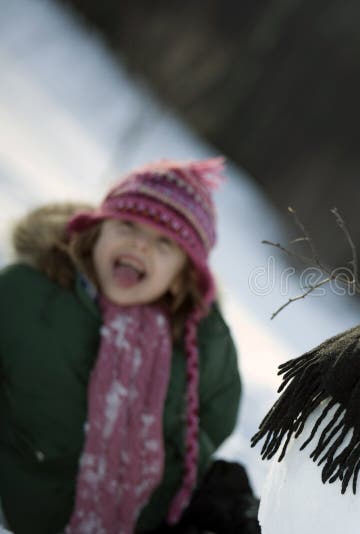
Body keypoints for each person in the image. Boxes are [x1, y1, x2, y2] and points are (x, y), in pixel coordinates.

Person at [0, 158, 247, 533]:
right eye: (128, 224)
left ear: (182, 277)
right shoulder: (28, 294)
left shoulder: (202, 340)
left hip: (150, 519)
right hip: (33, 511)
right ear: (95, 231)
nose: (140, 244)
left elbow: (216, 415)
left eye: (165, 242)